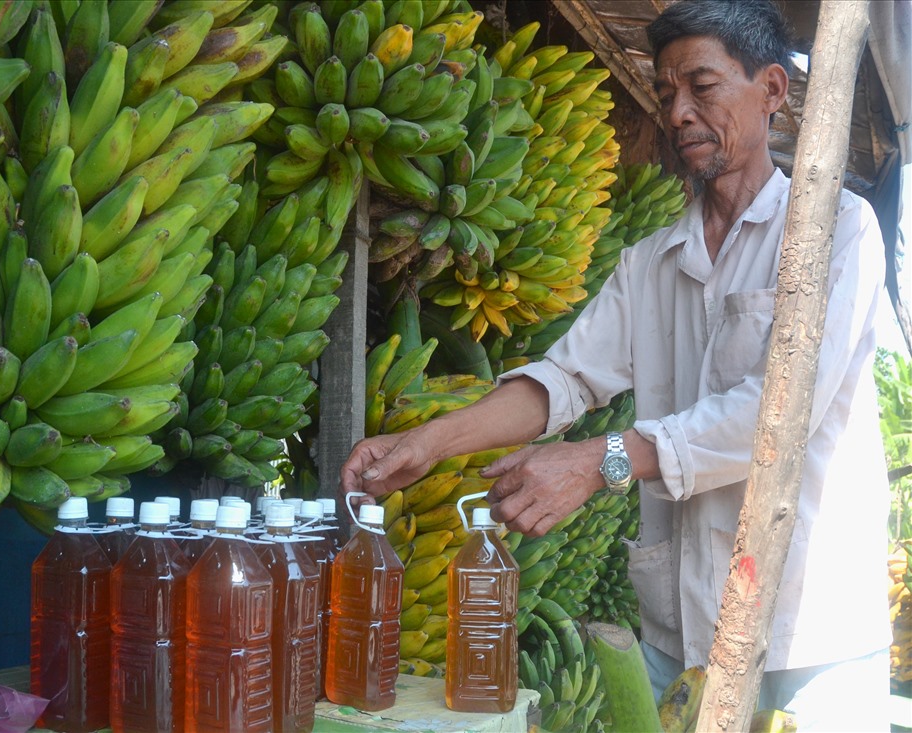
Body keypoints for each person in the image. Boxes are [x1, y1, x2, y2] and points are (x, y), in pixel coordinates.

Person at [340, 0, 894, 727]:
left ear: (772, 90)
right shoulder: (652, 262)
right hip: (682, 632)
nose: (680, 112)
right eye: (666, 94)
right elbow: (565, 380)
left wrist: (601, 458)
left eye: (703, 85)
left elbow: (780, 412)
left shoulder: (837, 231)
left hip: (808, 631)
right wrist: (429, 441)